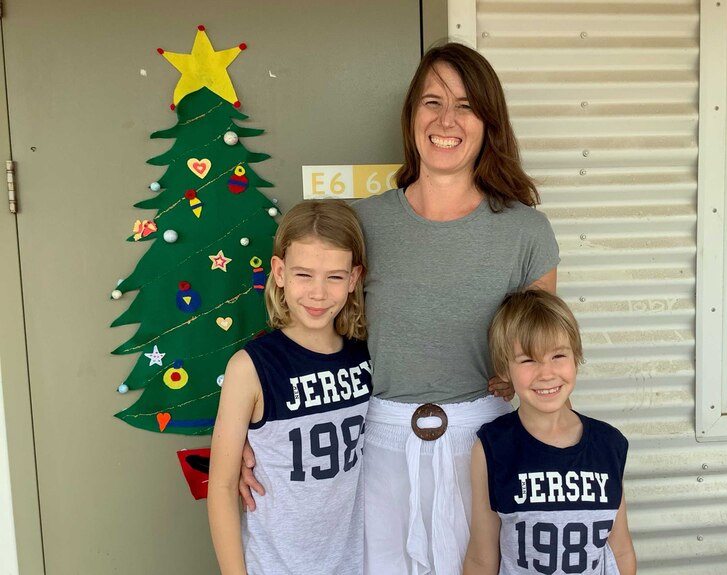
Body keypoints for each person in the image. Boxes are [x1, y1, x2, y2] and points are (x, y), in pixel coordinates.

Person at [241, 42, 559, 575]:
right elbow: (307, 335)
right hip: (371, 446)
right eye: (432, 101)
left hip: (484, 445)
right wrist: (253, 432)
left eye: (466, 105)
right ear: (411, 115)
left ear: (489, 122)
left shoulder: (526, 231)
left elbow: (545, 359)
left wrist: (559, 447)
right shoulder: (361, 224)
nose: (447, 120)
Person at [208, 199, 371, 575]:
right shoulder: (250, 368)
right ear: (279, 272)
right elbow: (221, 487)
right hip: (276, 565)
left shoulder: (367, 357)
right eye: (303, 275)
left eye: (334, 276)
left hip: (354, 563)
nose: (318, 293)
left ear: (354, 278)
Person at [463, 290, 636, 575]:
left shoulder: (609, 444)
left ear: (576, 356)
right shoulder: (492, 447)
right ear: (504, 369)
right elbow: (482, 557)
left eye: (558, 355)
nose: (546, 373)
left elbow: (621, 549)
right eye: (528, 360)